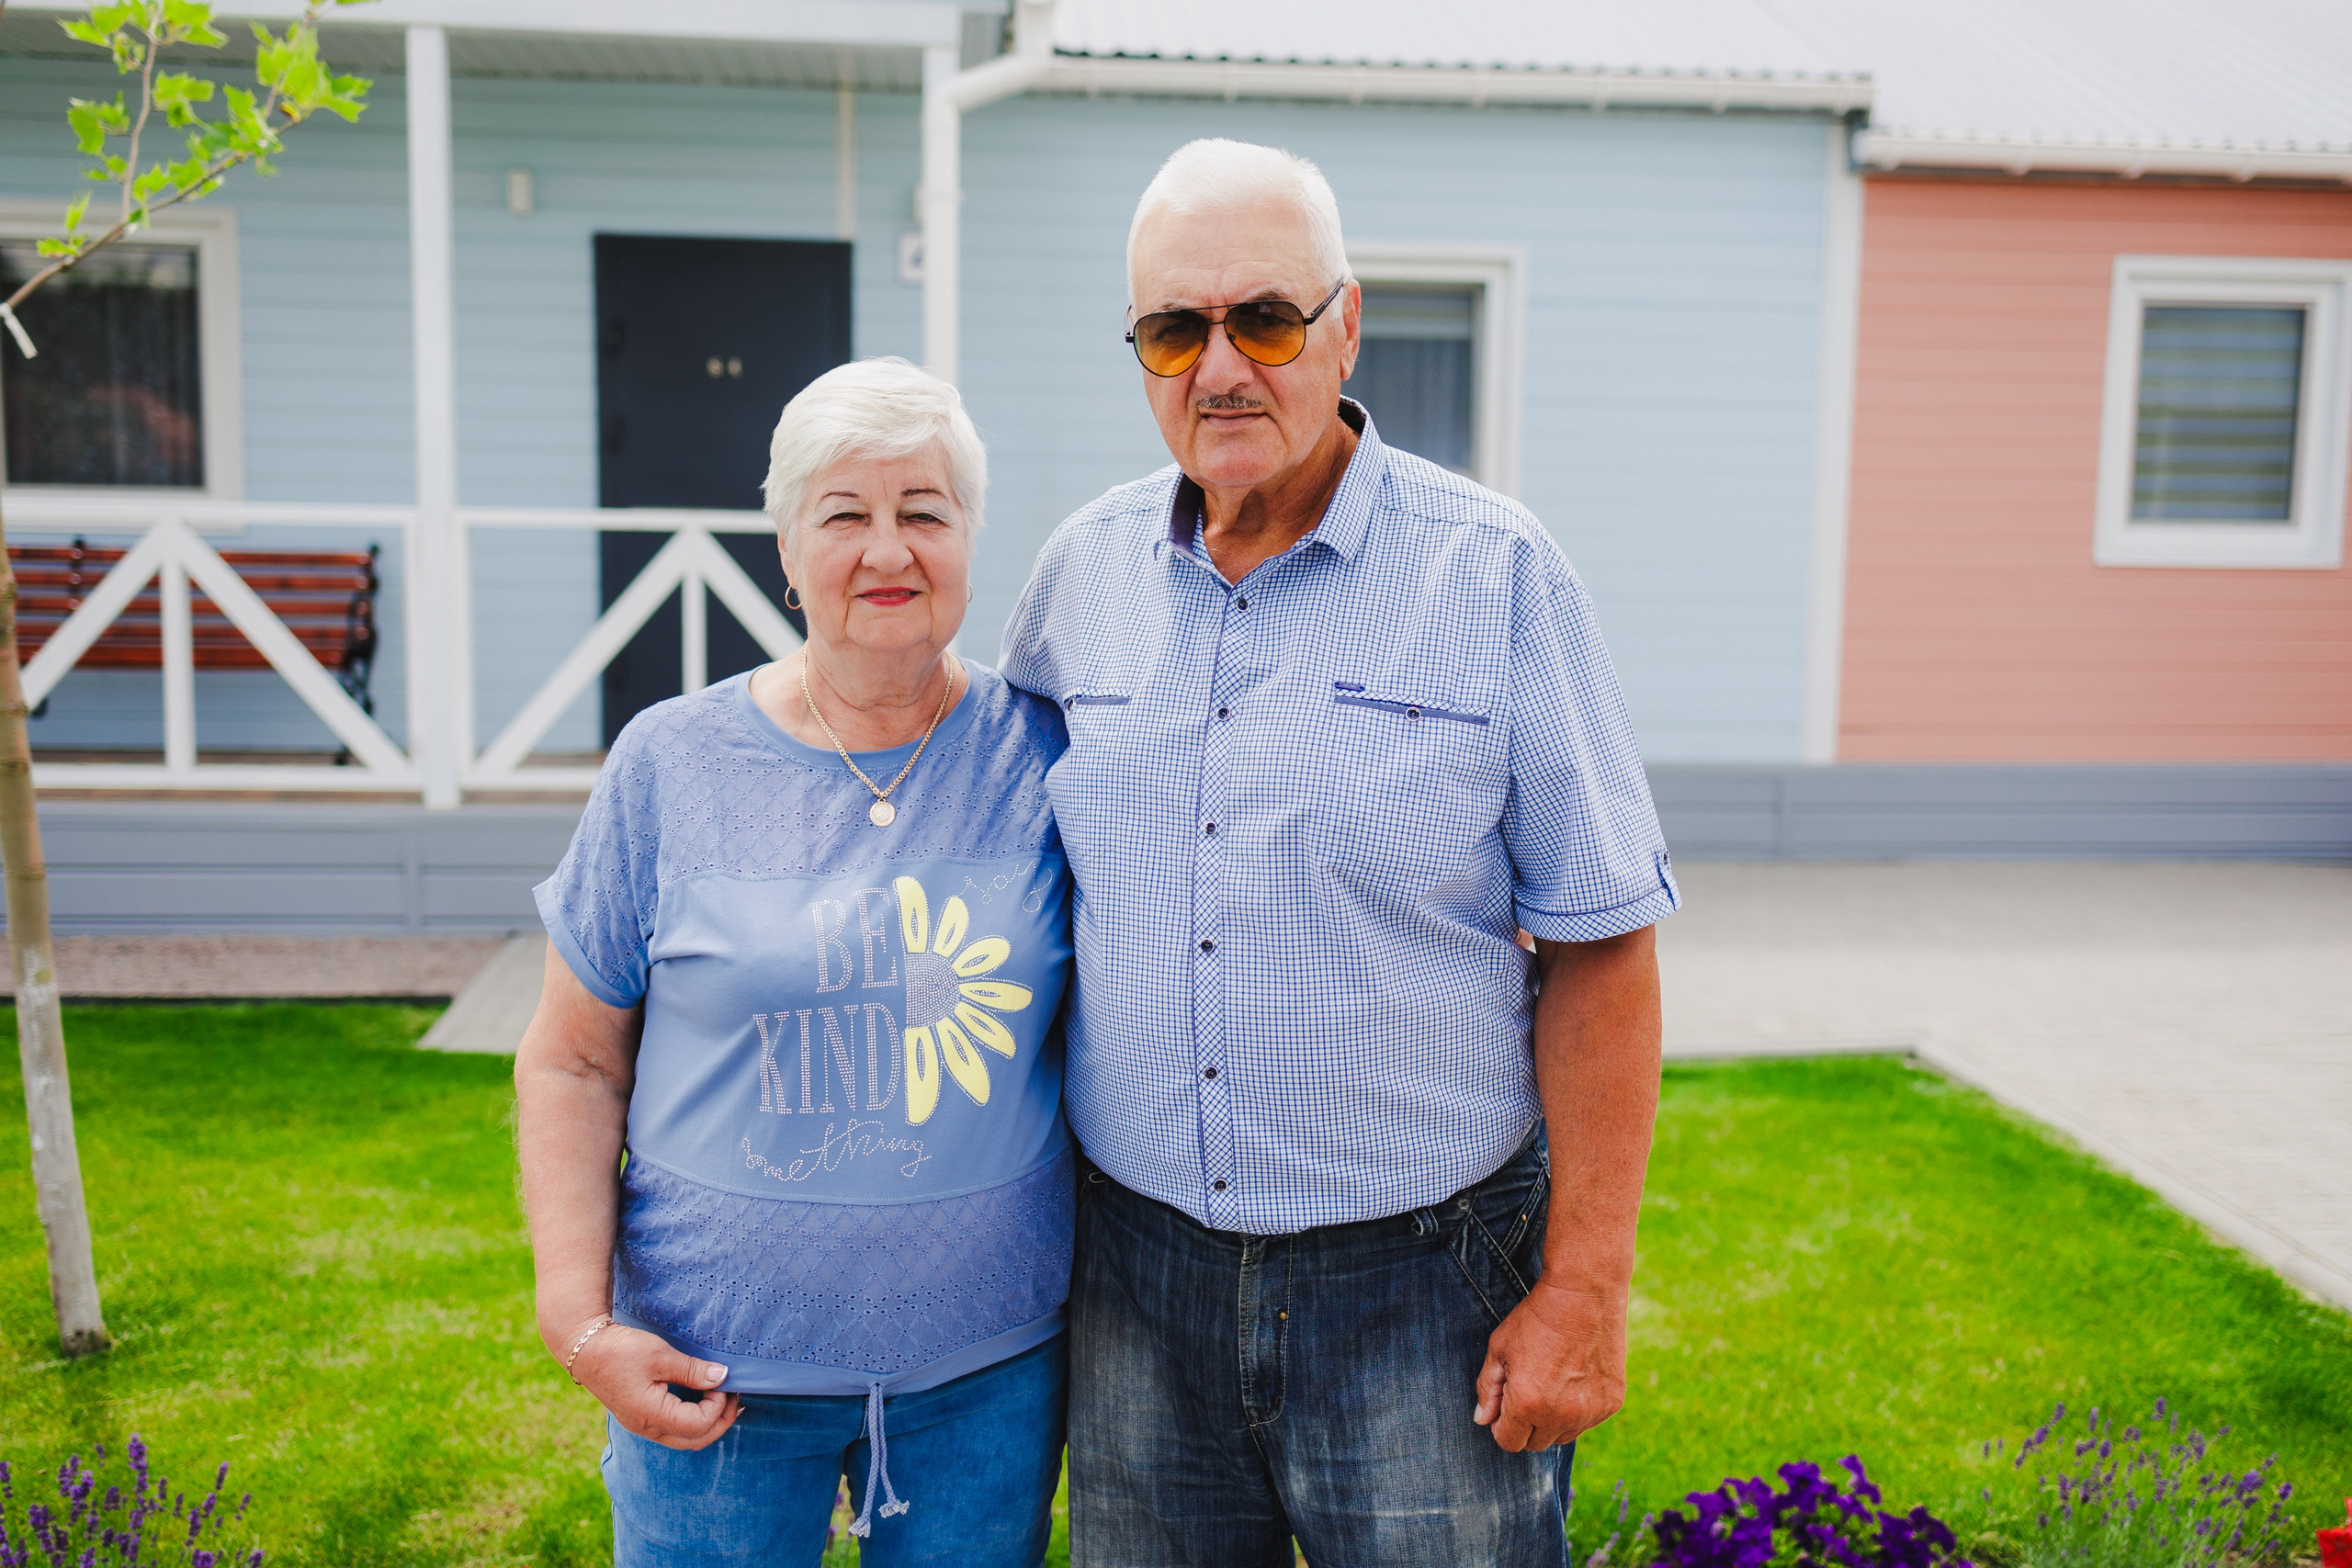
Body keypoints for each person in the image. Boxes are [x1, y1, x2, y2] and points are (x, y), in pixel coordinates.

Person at [1001, 139, 1679, 1567]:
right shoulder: (1080, 582)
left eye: (1266, 318)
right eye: (1175, 330)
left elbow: (1605, 945)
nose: (1221, 368)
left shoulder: (1495, 574)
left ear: (1345, 324)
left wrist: (1588, 1288)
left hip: (1426, 1281)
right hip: (1137, 1275)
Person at [515, 356, 1074, 1568]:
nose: (889, 553)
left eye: (924, 513)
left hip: (986, 1383)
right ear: (785, 546)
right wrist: (579, 1319)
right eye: (845, 516)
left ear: (971, 537)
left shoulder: (1044, 757)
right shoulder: (669, 764)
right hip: (709, 1380)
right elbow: (570, 1063)